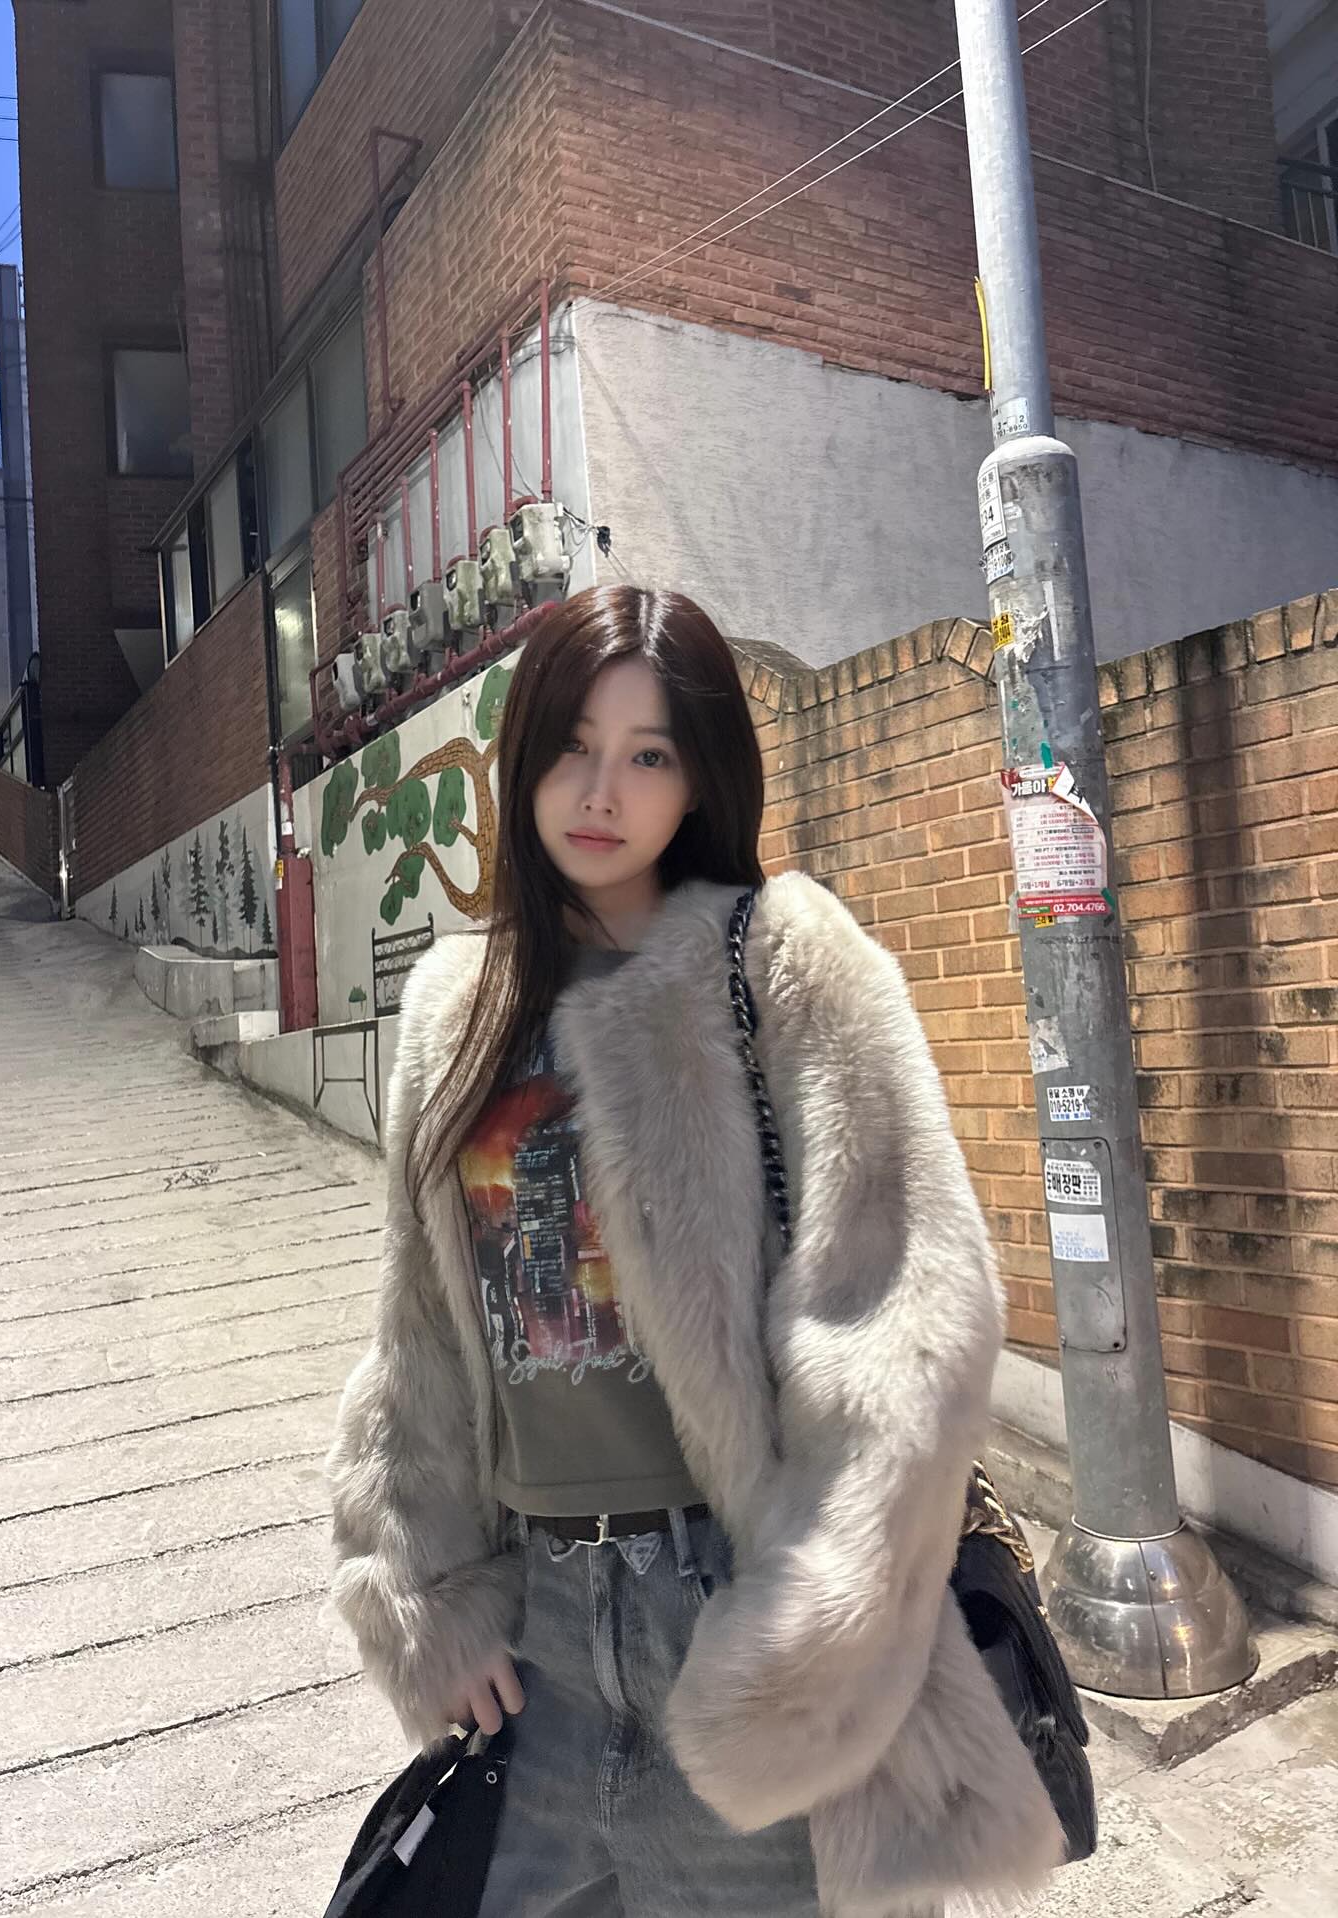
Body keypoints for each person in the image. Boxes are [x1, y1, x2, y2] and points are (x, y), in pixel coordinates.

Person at [326, 584, 1065, 1916]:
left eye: (649, 753)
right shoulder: (454, 1009)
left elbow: (905, 1316)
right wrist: (425, 1591)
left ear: (700, 774)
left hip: (728, 1625)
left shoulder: (782, 964)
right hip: (538, 1653)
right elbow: (417, 1333)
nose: (600, 790)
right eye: (572, 745)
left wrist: (807, 1637)